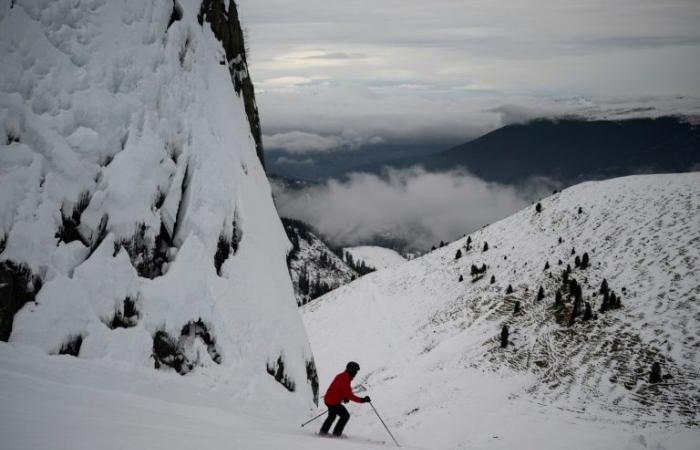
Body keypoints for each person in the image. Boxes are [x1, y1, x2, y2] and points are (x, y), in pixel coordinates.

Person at [319, 361, 370, 437]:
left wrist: (344, 397)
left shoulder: (343, 376)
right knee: (345, 416)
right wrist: (362, 400)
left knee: (332, 416)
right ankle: (336, 434)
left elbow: (339, 389)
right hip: (333, 401)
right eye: (355, 371)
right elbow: (350, 395)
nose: (356, 373)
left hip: (329, 399)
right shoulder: (345, 378)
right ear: (350, 370)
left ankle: (323, 432)